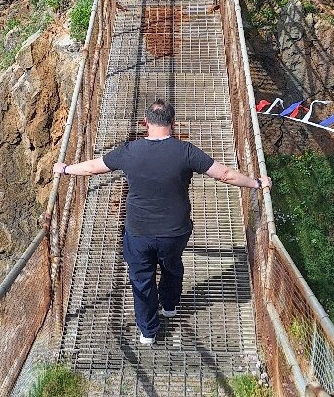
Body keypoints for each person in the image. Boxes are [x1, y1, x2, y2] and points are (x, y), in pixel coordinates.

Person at [53, 99, 271, 346]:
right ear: (173, 123)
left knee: (141, 280)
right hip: (175, 231)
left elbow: (93, 167)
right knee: (171, 266)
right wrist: (256, 183)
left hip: (138, 232)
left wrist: (66, 169)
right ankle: (169, 305)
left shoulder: (129, 151)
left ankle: (148, 331)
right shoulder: (186, 151)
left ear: (145, 123)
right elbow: (225, 175)